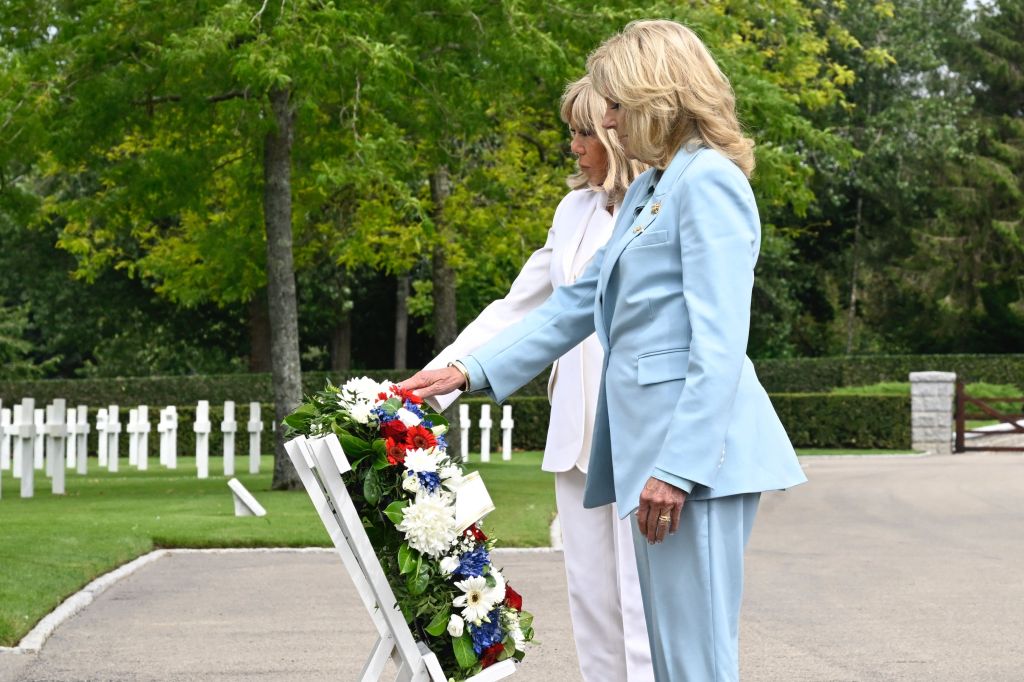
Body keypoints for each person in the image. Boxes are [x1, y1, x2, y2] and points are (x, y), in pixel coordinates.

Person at [403, 20, 808, 681]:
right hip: (650, 454)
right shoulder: (654, 189)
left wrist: (678, 468)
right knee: (675, 661)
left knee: (696, 663)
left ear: (658, 96)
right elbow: (572, 306)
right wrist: (464, 370)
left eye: (616, 104)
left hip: (698, 464)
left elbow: (719, 343)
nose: (609, 121)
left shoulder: (709, 182)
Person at [417, 76, 654, 682]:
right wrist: (446, 370)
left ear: (617, 134)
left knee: (641, 603)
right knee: (592, 601)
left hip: (635, 431)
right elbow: (521, 306)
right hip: (574, 436)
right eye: (570, 132)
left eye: (584, 133)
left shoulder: (655, 205)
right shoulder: (570, 209)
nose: (573, 146)